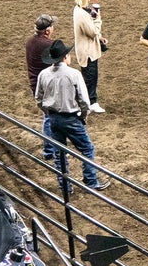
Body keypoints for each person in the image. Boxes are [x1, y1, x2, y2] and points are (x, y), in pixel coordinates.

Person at [34, 39, 109, 192]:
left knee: (59, 152)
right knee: (87, 149)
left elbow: (38, 99)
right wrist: (83, 116)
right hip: (70, 118)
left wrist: (47, 112)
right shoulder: (74, 74)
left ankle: (65, 186)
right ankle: (90, 180)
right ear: (65, 57)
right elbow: (84, 101)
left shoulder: (43, 74)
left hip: (53, 118)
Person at [25, 15, 57, 159]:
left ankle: (50, 148)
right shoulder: (48, 45)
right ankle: (49, 151)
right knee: (49, 118)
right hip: (46, 85)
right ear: (47, 30)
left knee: (48, 116)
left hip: (35, 83)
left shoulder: (30, 41)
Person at [73, 0, 106, 114]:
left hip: (87, 49)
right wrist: (98, 19)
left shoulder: (79, 10)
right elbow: (92, 32)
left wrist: (100, 37)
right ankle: (87, 104)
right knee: (89, 77)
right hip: (88, 52)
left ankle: (91, 102)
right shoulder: (81, 14)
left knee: (90, 77)